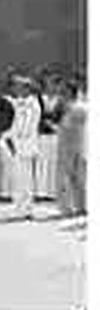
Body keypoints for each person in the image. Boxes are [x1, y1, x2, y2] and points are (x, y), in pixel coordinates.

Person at [0, 74, 42, 220]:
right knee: (19, 178)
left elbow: (26, 127)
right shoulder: (21, 103)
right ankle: (21, 208)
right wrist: (8, 135)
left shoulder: (32, 104)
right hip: (19, 144)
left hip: (25, 145)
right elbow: (15, 119)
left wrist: (10, 136)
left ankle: (26, 209)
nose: (15, 89)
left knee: (25, 178)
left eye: (18, 86)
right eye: (14, 86)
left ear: (26, 88)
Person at [57, 74, 87, 218]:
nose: (62, 93)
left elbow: (66, 125)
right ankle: (81, 206)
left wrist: (57, 125)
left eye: (65, 90)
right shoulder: (83, 106)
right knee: (79, 178)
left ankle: (67, 208)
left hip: (68, 145)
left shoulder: (71, 107)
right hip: (79, 145)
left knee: (65, 178)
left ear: (70, 92)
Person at [35, 73, 66, 201]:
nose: (52, 87)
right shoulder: (39, 99)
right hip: (42, 134)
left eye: (54, 84)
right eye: (49, 84)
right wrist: (43, 123)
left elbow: (63, 116)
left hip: (55, 134)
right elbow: (36, 116)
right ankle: (40, 192)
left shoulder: (61, 101)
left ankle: (52, 192)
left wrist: (56, 125)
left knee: (53, 162)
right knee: (42, 163)